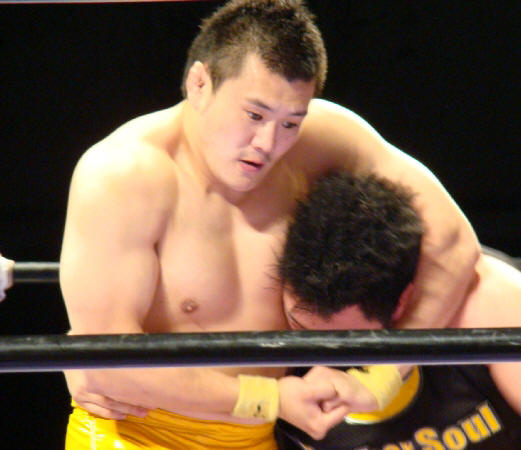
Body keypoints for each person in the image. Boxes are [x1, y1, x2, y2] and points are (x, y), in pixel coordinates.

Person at [59, 0, 480, 448]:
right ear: (199, 83)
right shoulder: (124, 175)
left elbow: (453, 240)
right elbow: (104, 361)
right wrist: (270, 398)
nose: (267, 143)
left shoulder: (324, 140)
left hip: (258, 436)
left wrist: (383, 375)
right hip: (134, 434)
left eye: (291, 123)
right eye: (254, 115)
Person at [275, 171, 521, 449]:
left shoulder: (480, 297)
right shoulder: (268, 316)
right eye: (301, 327)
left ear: (402, 302)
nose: (322, 356)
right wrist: (270, 399)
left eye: (345, 340)